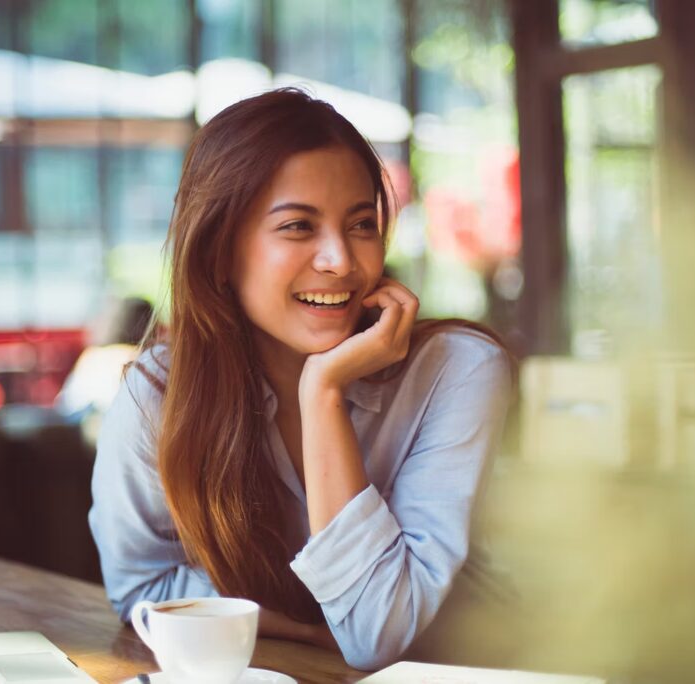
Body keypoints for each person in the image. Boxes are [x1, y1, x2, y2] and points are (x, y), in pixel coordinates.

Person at [88, 88, 514, 671]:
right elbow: (144, 590)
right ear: (219, 253)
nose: (341, 260)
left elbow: (376, 633)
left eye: (361, 224)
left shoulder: (457, 372)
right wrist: (316, 632)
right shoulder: (158, 395)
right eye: (297, 227)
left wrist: (323, 394)